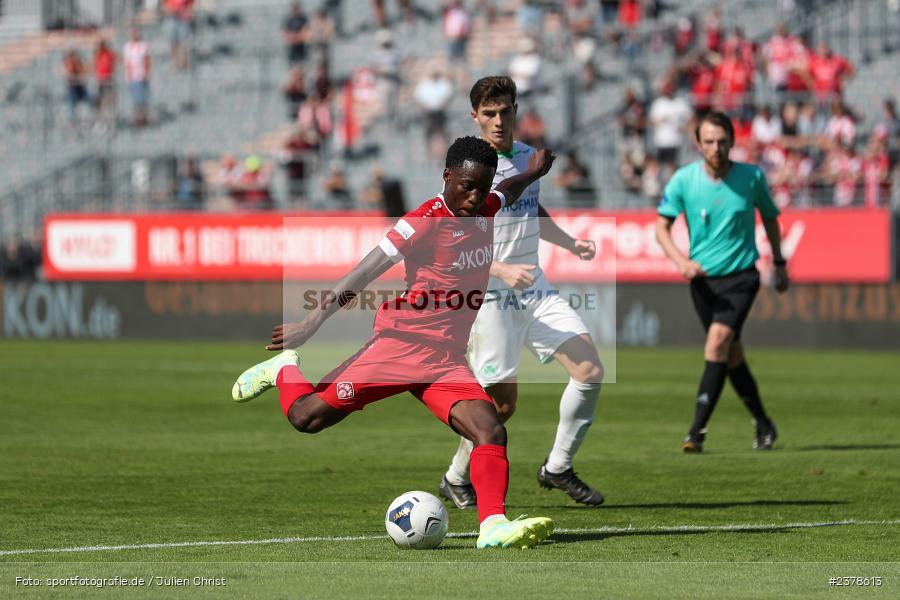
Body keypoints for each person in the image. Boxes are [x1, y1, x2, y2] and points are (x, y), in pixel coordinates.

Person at [230, 136, 557, 549]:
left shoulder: (486, 205)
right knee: (306, 419)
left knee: (491, 430)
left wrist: (533, 173)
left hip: (446, 360)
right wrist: (312, 322)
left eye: (482, 186)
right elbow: (363, 273)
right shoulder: (421, 221)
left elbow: (505, 192)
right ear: (447, 176)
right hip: (398, 347)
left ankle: (492, 525)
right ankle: (284, 370)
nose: (475, 196)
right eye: (467, 186)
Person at [439, 76, 604, 509]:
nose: (497, 120)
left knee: (589, 370)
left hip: (534, 287)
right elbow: (452, 239)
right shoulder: (471, 169)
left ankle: (558, 467)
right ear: (474, 117)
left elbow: (531, 207)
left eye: (505, 111)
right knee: (500, 408)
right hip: (490, 295)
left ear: (515, 111)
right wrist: (500, 268)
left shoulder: (531, 158)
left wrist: (569, 242)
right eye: (488, 113)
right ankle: (456, 477)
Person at [655, 111, 789, 453]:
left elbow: (771, 219)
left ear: (732, 142)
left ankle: (696, 432)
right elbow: (661, 227)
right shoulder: (684, 180)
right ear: (698, 144)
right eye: (709, 141)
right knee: (730, 355)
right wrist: (681, 261)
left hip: (742, 276)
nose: (716, 147)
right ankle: (763, 423)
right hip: (702, 281)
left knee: (716, 345)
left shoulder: (752, 177)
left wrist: (779, 262)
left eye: (722, 141)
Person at [123, 28, 151, 127]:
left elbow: (147, 60)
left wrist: (145, 73)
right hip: (133, 77)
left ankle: (144, 117)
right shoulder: (127, 47)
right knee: (135, 99)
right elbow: (127, 62)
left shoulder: (143, 46)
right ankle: (137, 118)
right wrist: (129, 75)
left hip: (141, 76)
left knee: (143, 98)